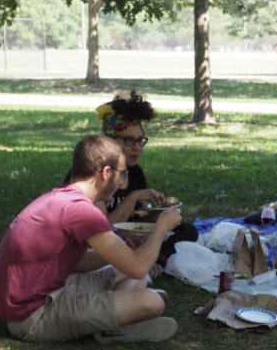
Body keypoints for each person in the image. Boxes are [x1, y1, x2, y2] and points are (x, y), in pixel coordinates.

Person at [0, 136, 181, 343]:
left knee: (136, 278)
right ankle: (112, 328)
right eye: (122, 174)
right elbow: (137, 267)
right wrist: (160, 228)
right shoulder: (81, 211)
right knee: (154, 301)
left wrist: (125, 252)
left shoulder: (63, 198)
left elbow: (77, 264)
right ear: (106, 173)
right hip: (34, 317)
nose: (122, 183)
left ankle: (112, 322)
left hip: (49, 294)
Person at [65, 92, 198, 265]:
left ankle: (152, 257)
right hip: (100, 244)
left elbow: (140, 218)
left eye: (140, 140)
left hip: (129, 238)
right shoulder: (96, 175)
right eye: (129, 140)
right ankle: (151, 259)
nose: (137, 148)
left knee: (187, 231)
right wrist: (133, 197)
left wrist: (160, 214)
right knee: (162, 255)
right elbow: (103, 229)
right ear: (110, 141)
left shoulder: (135, 172)